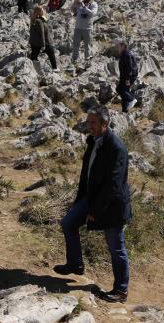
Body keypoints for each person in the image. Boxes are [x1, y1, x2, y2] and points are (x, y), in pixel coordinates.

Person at [54, 106, 131, 303]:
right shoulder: (93, 141)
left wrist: (95, 211)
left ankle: (121, 291)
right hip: (91, 198)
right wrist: (81, 201)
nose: (89, 126)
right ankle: (75, 264)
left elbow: (113, 186)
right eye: (88, 122)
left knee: (115, 246)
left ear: (105, 124)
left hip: (112, 205)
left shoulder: (117, 148)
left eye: (93, 123)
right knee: (68, 224)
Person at [70, 0, 99, 67]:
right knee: (76, 45)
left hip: (87, 29)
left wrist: (83, 6)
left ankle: (87, 61)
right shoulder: (80, 3)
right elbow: (72, 11)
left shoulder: (94, 4)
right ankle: (74, 61)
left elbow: (92, 13)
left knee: (87, 46)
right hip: (78, 28)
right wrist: (74, 3)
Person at [29, 5, 58, 70]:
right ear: (39, 12)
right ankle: (54, 68)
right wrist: (43, 45)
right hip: (42, 42)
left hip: (35, 42)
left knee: (34, 56)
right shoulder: (39, 21)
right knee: (51, 52)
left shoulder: (36, 20)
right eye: (42, 10)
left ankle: (33, 68)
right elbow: (42, 33)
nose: (44, 11)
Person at [116, 40, 138, 112]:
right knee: (124, 92)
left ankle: (132, 99)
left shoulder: (126, 55)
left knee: (120, 89)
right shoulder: (125, 53)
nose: (117, 48)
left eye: (119, 46)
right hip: (127, 76)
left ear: (123, 46)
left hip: (128, 76)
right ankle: (125, 110)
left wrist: (128, 79)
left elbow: (129, 67)